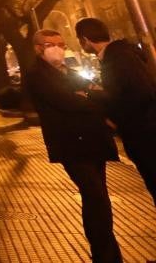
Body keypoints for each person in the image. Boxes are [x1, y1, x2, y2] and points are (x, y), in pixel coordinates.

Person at [26, 29, 121, 263]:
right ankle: (105, 255)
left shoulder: (69, 71)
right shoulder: (37, 75)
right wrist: (86, 97)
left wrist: (86, 94)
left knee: (99, 198)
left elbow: (98, 94)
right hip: (71, 144)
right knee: (95, 196)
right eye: (51, 44)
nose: (58, 48)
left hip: (93, 140)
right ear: (39, 48)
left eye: (61, 43)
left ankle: (106, 253)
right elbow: (66, 102)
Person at [77, 17, 156, 208]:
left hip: (144, 133)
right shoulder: (123, 53)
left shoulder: (117, 57)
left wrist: (93, 97)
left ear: (85, 39)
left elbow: (138, 93)